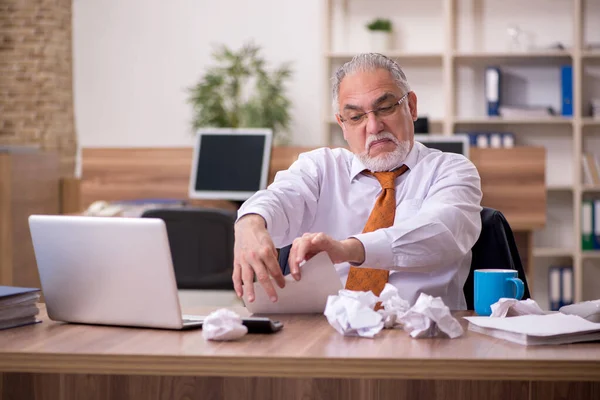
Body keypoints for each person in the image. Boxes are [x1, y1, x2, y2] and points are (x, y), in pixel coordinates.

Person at [233, 53, 482, 310]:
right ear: (342, 124)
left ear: (412, 106)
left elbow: (440, 232)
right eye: (356, 117)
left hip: (421, 334)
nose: (373, 127)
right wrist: (249, 222)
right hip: (327, 332)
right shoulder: (321, 168)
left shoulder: (451, 170)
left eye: (385, 108)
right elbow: (281, 197)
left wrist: (347, 249)